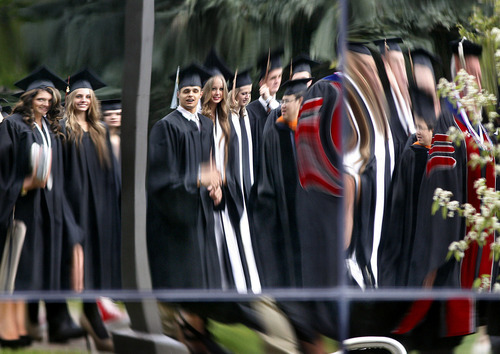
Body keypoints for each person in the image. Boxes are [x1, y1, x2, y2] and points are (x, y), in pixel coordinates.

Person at [0, 67, 82, 348]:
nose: (45, 104)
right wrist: (23, 185)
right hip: (24, 208)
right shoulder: (12, 126)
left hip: (50, 210)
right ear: (29, 97)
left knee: (36, 272)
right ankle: (7, 331)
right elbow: (2, 170)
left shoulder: (51, 128)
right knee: (18, 272)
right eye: (40, 99)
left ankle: (23, 327)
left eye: (49, 100)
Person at [61, 68, 121, 351]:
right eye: (79, 96)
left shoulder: (101, 130)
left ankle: (91, 311)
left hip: (100, 203)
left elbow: (111, 171)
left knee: (97, 258)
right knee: (79, 262)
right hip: (75, 204)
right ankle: (87, 313)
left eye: (88, 96)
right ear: (71, 99)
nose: (83, 100)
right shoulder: (63, 130)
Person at [202, 70, 261, 293]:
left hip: (230, 184)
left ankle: (247, 288)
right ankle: (225, 289)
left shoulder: (227, 117)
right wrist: (214, 183)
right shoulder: (202, 117)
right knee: (218, 237)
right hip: (211, 186)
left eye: (220, 89)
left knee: (238, 235)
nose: (217, 93)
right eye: (213, 89)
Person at [100, 98, 122, 163]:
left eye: (118, 114)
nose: (113, 117)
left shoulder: (125, 138)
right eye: (108, 114)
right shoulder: (97, 139)